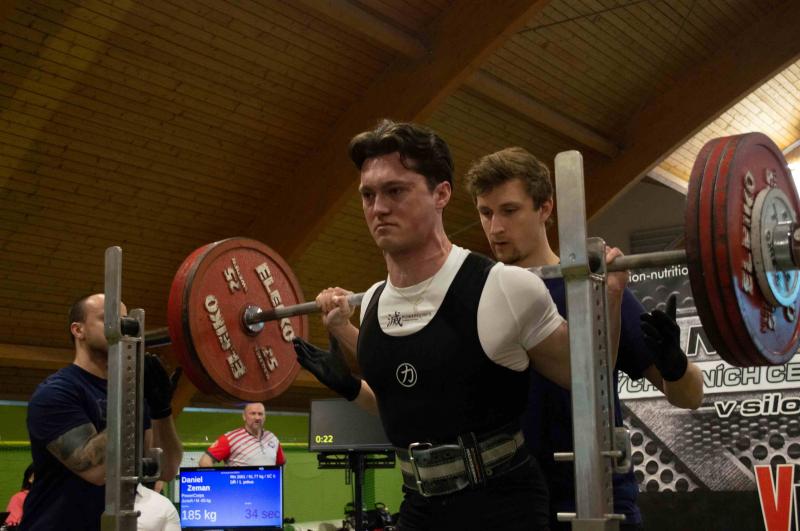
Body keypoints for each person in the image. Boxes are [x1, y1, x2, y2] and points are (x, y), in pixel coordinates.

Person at [292, 119, 629, 531]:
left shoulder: (503, 287)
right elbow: (411, 407)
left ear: (441, 194)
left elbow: (589, 379)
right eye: (368, 195)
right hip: (418, 504)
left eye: (395, 191)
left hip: (501, 508)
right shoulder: (375, 302)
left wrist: (611, 298)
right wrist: (348, 377)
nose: (378, 208)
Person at [463, 146, 704, 530]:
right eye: (486, 213)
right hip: (512, 508)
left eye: (509, 211)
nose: (495, 229)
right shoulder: (478, 298)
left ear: (544, 208)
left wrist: (675, 366)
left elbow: (690, 396)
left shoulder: (597, 290)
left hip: (598, 501)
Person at [21, 293, 183, 531]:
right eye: (108, 318)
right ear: (78, 330)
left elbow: (166, 469)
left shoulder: (135, 395)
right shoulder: (56, 393)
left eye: (125, 320)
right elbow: (96, 471)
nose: (122, 327)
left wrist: (162, 410)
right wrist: (131, 399)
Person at [198, 402, 286, 467]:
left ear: (264, 417)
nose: (257, 417)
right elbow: (204, 461)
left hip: (267, 487)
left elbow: (281, 462)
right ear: (244, 416)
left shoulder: (272, 438)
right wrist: (221, 482)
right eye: (253, 413)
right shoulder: (231, 438)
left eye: (260, 414)